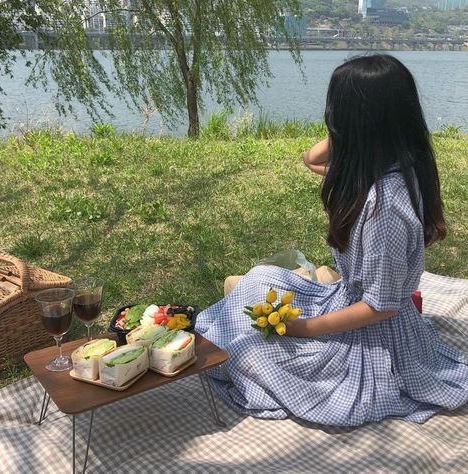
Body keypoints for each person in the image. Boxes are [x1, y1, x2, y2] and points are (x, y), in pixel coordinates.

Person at [194, 54, 468, 426]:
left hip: (374, 337)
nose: (330, 120)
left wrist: (300, 328)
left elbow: (380, 308)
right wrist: (346, 130)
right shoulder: (388, 165)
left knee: (248, 352)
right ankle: (303, 289)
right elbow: (310, 159)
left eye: (336, 114)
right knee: (259, 279)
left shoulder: (383, 208)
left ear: (359, 124)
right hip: (348, 301)